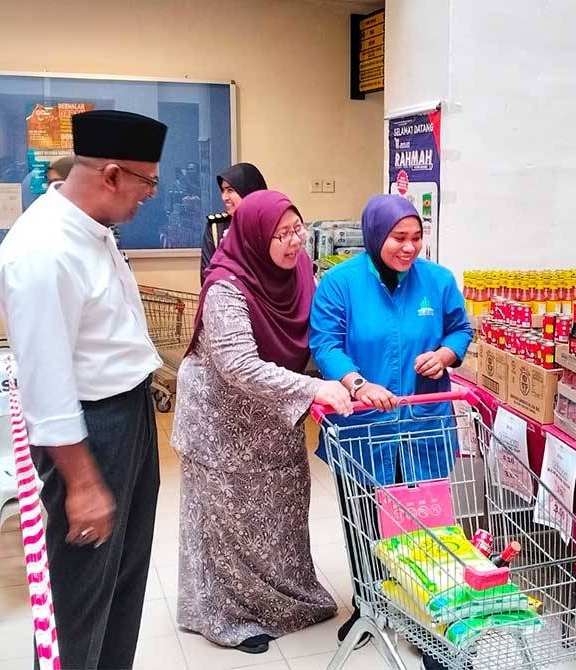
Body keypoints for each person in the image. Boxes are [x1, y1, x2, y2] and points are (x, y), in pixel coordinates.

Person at [0, 110, 167, 669]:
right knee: (78, 595)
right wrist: (83, 482)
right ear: (111, 174)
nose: (150, 197)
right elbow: (47, 383)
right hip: (89, 433)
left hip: (129, 416)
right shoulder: (43, 251)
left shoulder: (93, 229)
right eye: (147, 183)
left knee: (124, 576)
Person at [172, 190, 351, 654]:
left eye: (298, 229)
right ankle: (225, 615)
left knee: (283, 510)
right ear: (253, 237)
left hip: (272, 416)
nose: (295, 242)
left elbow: (316, 336)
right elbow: (238, 365)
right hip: (221, 423)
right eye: (282, 234)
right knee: (226, 522)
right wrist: (314, 388)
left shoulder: (299, 275)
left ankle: (285, 602)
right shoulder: (226, 287)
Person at [309, 194, 473, 666]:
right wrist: (357, 383)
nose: (409, 248)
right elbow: (325, 342)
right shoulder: (340, 283)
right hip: (363, 427)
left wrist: (445, 355)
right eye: (399, 238)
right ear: (376, 235)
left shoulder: (437, 282)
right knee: (363, 523)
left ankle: (431, 620)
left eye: (417, 238)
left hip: (424, 424)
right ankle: (369, 604)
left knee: (428, 524)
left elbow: (460, 330)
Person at [199, 162, 268, 282]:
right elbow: (207, 276)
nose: (224, 197)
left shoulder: (270, 224)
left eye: (230, 190)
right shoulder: (217, 227)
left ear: (248, 191)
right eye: (223, 190)